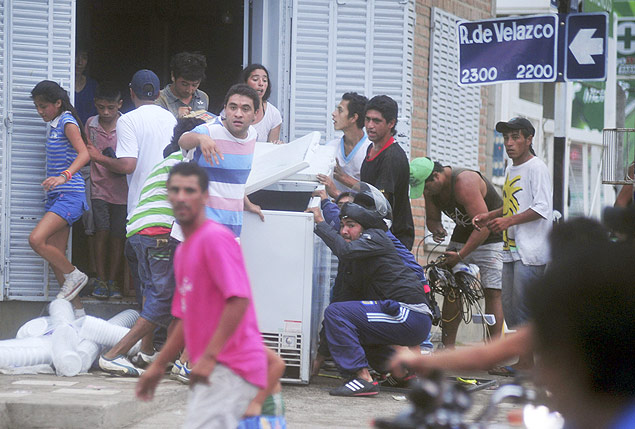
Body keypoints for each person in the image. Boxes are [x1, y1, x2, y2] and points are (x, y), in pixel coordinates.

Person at [136, 162, 267, 428]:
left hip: (232, 368)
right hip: (213, 369)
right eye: (175, 190)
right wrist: (158, 366)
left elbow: (238, 300)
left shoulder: (215, 239)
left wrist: (208, 357)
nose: (181, 197)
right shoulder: (184, 250)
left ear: (205, 196)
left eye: (190, 190)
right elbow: (185, 318)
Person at [307, 184, 432, 397]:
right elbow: (339, 303)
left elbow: (344, 249)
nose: (344, 231)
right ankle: (402, 372)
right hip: (401, 314)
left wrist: (319, 221)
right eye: (342, 226)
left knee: (338, 313)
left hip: (411, 314)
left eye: (351, 225)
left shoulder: (377, 238)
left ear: (364, 227)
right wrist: (318, 358)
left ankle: (361, 378)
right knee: (341, 315)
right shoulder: (354, 261)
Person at [97, 118, 198, 376]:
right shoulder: (187, 163)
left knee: (153, 294)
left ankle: (147, 351)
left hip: (139, 233)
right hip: (160, 235)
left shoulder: (165, 162)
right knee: (164, 300)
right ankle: (113, 354)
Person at [472, 117, 552, 374]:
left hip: (531, 251)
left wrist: (507, 221)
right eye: (506, 138)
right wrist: (491, 215)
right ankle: (523, 362)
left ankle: (528, 365)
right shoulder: (510, 169)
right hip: (510, 250)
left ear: (529, 139)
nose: (509, 143)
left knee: (526, 309)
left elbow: (541, 207)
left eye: (516, 137)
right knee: (513, 309)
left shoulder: (537, 167)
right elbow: (512, 204)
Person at [409, 157, 504, 347]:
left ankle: (493, 353)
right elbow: (433, 219)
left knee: (492, 291)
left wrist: (460, 256)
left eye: (426, 188)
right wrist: (436, 229)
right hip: (462, 234)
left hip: (492, 235)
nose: (425, 193)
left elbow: (483, 227)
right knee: (452, 287)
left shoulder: (464, 182)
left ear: (435, 176)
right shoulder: (432, 190)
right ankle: (448, 347)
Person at [28, 81, 90, 302]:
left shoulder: (67, 122)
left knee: (36, 240)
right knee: (56, 259)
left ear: (58, 103)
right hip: (57, 196)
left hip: (70, 195)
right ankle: (78, 313)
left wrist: (63, 176)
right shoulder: (56, 124)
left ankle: (76, 275)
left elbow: (84, 155)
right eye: (37, 106)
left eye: (43, 106)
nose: (40, 111)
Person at [179, 83, 264, 237]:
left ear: (255, 115)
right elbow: (183, 140)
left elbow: (232, 180)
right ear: (225, 109)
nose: (238, 114)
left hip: (230, 230)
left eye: (245, 109)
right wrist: (200, 138)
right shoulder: (209, 130)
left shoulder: (252, 135)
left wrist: (247, 203)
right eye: (233, 107)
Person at [92, 69, 176, 217]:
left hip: (142, 207)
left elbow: (127, 165)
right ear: (158, 95)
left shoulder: (128, 120)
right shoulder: (171, 118)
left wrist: (97, 157)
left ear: (131, 93)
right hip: (169, 204)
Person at [84, 82, 128, 299]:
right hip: (98, 187)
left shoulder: (127, 125)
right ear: (95, 104)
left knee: (118, 236)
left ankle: (113, 281)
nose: (106, 112)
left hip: (123, 190)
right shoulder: (91, 125)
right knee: (101, 232)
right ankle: (101, 280)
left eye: (111, 107)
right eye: (101, 107)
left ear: (120, 104)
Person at [360, 95, 414, 250]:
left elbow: (380, 202)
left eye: (376, 121)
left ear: (391, 123)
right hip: (377, 235)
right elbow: (368, 189)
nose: (370, 125)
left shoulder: (391, 157)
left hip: (393, 239)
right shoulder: (371, 148)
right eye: (367, 119)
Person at [318, 92, 371, 198]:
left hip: (360, 211)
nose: (334, 113)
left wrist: (343, 178)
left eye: (340, 110)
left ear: (353, 118)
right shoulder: (331, 147)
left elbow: (374, 192)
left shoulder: (370, 150)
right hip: (331, 211)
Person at [156, 52, 209, 118]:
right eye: (184, 84)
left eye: (194, 85)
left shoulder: (202, 97)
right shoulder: (159, 99)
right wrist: (176, 117)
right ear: (173, 76)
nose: (189, 90)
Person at [240, 64, 282, 143]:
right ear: (245, 83)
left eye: (264, 80)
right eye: (255, 79)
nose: (261, 84)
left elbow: (271, 148)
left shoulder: (273, 114)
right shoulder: (232, 109)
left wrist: (278, 145)